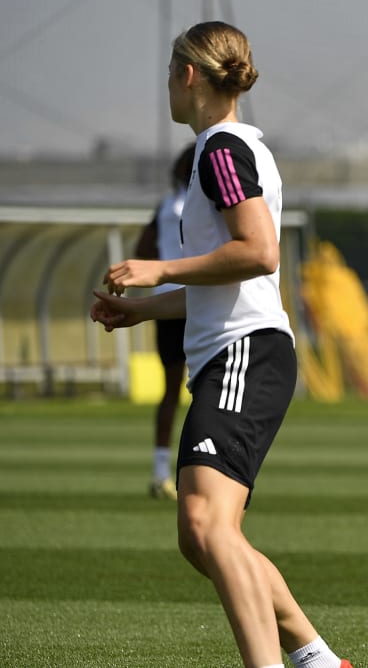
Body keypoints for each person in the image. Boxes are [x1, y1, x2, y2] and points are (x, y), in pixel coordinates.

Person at [89, 21, 351, 668]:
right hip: (234, 353)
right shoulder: (225, 149)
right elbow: (224, 277)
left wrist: (159, 267)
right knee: (200, 535)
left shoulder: (220, 151)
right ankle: (317, 657)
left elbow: (258, 252)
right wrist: (142, 310)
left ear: (187, 76)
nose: (166, 89)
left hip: (247, 353)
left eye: (167, 76)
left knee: (208, 524)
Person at [135, 143, 194, 500]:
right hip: (200, 299)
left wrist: (165, 264)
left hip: (166, 302)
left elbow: (143, 247)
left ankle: (160, 473)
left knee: (170, 390)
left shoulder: (165, 205)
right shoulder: (207, 201)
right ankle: (203, 474)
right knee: (208, 389)